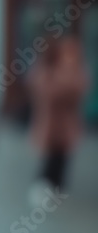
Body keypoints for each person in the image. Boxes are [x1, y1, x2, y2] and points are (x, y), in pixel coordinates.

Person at [26, 31, 90, 204]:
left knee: (62, 157)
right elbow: (48, 91)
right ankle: (43, 187)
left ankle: (55, 188)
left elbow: (79, 88)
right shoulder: (49, 69)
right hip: (51, 123)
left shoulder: (72, 70)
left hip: (65, 124)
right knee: (51, 157)